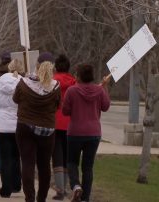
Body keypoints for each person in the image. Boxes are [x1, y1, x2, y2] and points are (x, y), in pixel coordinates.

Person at [13, 52, 61, 202]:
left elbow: (15, 99)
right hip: (47, 129)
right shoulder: (55, 86)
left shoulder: (24, 83)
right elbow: (57, 105)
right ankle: (42, 198)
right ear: (52, 68)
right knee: (44, 165)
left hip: (25, 126)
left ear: (37, 65)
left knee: (27, 163)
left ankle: (30, 198)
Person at [62, 64, 110, 202]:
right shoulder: (99, 90)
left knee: (71, 162)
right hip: (94, 133)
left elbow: (65, 111)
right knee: (88, 167)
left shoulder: (72, 91)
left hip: (75, 132)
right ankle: (85, 198)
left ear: (79, 76)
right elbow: (106, 106)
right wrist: (105, 86)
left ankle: (76, 186)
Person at [0, 59, 24, 198]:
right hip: (18, 122)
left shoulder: (0, 81)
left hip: (2, 123)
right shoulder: (24, 82)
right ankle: (16, 184)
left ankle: (6, 188)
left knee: (5, 158)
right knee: (16, 156)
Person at [51, 54, 76, 200]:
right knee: (67, 156)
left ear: (56, 66)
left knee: (57, 156)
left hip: (54, 122)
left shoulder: (52, 82)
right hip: (70, 123)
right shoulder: (74, 82)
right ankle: (65, 187)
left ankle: (60, 190)